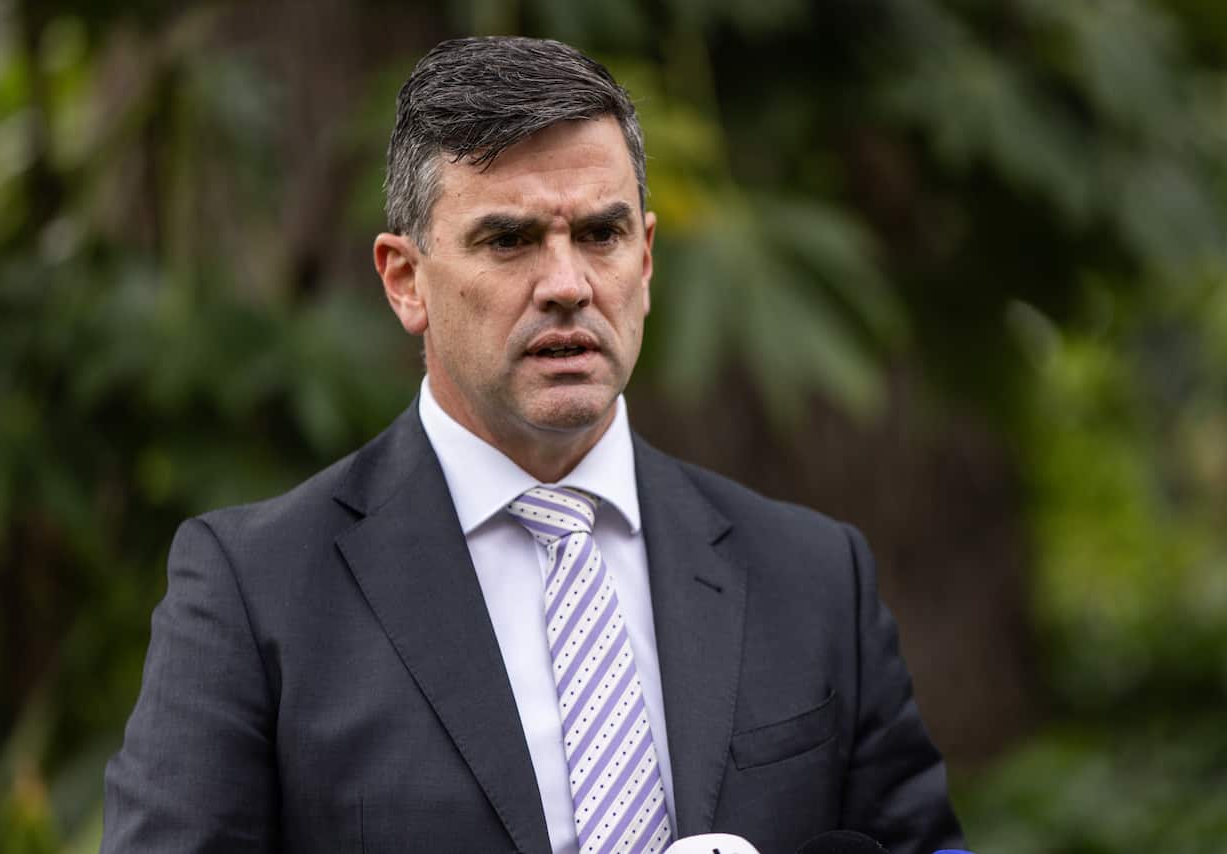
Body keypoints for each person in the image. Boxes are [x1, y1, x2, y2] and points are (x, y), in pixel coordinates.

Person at [102, 36, 964, 854]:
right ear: (407, 281)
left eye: (600, 234)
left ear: (648, 259)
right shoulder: (257, 593)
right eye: (509, 240)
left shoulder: (812, 576)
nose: (566, 285)